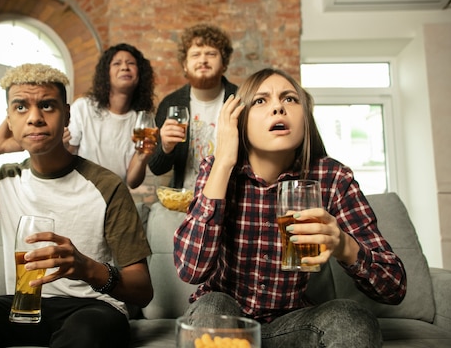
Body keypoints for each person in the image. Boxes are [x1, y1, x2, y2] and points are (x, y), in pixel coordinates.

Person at [0, 63, 153, 348]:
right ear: (8, 119)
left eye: (47, 105)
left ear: (67, 115)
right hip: (24, 309)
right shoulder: (3, 181)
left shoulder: (106, 186)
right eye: (20, 107)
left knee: (89, 330)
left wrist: (87, 268)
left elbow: (142, 290)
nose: (34, 118)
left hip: (90, 309)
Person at [173, 67, 407, 347]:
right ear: (240, 119)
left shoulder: (332, 179)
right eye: (261, 101)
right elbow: (191, 270)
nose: (278, 108)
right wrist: (223, 160)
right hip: (226, 319)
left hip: (291, 323)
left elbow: (394, 287)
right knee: (212, 308)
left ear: (305, 118)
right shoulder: (216, 171)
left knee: (351, 316)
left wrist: (344, 245)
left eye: (290, 99)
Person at [149, 23, 238, 190]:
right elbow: (156, 168)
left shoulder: (240, 100)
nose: (203, 60)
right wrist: (166, 147)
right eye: (196, 54)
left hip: (231, 198)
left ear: (224, 63)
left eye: (211, 54)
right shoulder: (171, 103)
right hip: (184, 202)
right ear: (185, 64)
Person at [67, 43, 156, 189]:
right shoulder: (83, 108)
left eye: (131, 63)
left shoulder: (142, 120)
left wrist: (142, 158)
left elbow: (133, 183)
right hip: (79, 193)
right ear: (106, 74)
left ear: (140, 74)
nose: (124, 67)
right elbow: (65, 158)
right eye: (116, 63)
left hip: (115, 198)